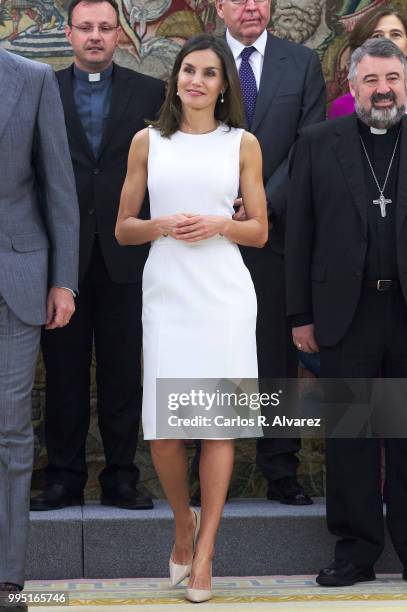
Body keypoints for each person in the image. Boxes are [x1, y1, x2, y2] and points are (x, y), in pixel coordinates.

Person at [116, 33, 267, 602]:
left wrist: (218, 225)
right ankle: (183, 522)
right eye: (187, 70)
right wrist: (164, 225)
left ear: (224, 84)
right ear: (174, 78)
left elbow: (258, 230)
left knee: (218, 425)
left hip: (223, 294)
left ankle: (205, 556)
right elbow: (123, 226)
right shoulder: (147, 141)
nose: (196, 81)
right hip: (168, 290)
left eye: (208, 73)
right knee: (164, 433)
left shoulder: (243, 144)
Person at [30, 0, 165, 512]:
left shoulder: (150, 93)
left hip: (127, 258)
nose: (95, 36)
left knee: (121, 375)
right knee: (62, 375)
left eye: (105, 28)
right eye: (85, 27)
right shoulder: (43, 89)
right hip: (61, 260)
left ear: (119, 36)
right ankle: (62, 478)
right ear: (68, 33)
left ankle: (121, 478)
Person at [286, 37, 407, 587]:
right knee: (352, 435)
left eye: (392, 79)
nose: (383, 91)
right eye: (371, 81)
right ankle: (356, 551)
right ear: (352, 87)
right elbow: (300, 233)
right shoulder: (318, 142)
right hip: (345, 309)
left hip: (404, 308)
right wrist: (300, 316)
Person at [213, 0, 326, 506]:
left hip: (277, 234)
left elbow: (307, 145)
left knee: (277, 358)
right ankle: (208, 468)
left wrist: (261, 204)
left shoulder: (301, 64)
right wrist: (219, 205)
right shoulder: (200, 58)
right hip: (211, 236)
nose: (252, 6)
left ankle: (282, 470)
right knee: (211, 354)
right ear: (220, 6)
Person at [0, 48, 79, 605]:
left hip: (19, 277)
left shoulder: (30, 79)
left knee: (10, 429)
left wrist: (63, 281)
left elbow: (59, 187)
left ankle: (8, 576)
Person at [329, 7, 407, 119]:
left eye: (396, 34)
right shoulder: (344, 106)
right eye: (377, 36)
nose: (386, 42)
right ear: (362, 46)